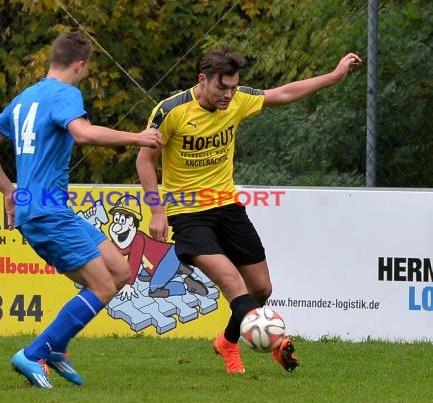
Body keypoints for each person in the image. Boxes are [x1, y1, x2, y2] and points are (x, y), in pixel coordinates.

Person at [136, 45, 362, 374]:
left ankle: (227, 341)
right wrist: (157, 211)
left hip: (228, 207)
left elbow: (284, 93)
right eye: (221, 87)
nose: (229, 94)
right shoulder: (171, 111)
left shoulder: (239, 98)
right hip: (187, 215)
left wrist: (334, 75)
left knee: (261, 289)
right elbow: (145, 159)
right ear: (203, 80)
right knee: (232, 283)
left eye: (233, 86)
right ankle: (276, 342)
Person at [0, 31, 162, 388]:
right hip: (47, 215)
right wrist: (137, 137)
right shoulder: (65, 94)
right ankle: (34, 353)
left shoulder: (25, 98)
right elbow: (83, 134)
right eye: (86, 71)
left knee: (120, 271)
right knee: (103, 286)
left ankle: (56, 347)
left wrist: (11, 191)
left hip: (50, 209)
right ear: (80, 65)